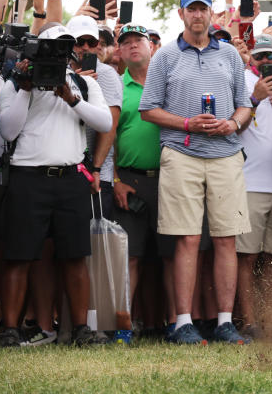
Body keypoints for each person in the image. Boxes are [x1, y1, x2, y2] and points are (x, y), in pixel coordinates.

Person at [139, 0, 253, 345]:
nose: (198, 14)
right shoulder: (165, 56)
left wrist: (233, 123)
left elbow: (245, 105)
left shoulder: (231, 56)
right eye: (192, 9)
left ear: (211, 13)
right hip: (182, 153)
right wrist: (187, 123)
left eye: (204, 8)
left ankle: (223, 322)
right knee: (187, 239)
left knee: (226, 239)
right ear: (181, 14)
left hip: (225, 152)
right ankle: (183, 322)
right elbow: (148, 109)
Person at [0, 23, 112, 347]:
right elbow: (8, 130)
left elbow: (105, 122)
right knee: (19, 256)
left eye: (65, 47)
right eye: (53, 47)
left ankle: (81, 330)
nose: (60, 54)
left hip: (70, 178)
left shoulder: (84, 84)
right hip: (28, 177)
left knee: (75, 256)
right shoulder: (16, 84)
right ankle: (9, 329)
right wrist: (27, 87)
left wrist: (71, 99)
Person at [111, 24, 176, 342]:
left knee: (172, 256)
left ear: (152, 46)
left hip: (170, 179)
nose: (133, 46)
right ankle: (123, 327)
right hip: (130, 181)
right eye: (126, 42)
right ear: (119, 51)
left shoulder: (170, 83)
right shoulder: (115, 88)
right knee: (130, 257)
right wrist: (116, 180)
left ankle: (179, 324)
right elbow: (106, 140)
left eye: (139, 40)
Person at [235, 34, 272, 338]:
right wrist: (254, 98)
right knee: (246, 256)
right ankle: (249, 320)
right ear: (251, 59)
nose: (266, 62)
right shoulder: (242, 83)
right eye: (260, 57)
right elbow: (233, 126)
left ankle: (269, 320)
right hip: (248, 184)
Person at [69, 15, 123, 216]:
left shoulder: (107, 74)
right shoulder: (61, 72)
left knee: (94, 242)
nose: (85, 47)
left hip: (96, 173)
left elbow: (110, 126)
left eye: (91, 42)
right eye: (78, 42)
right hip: (67, 168)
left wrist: (96, 169)